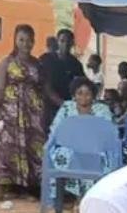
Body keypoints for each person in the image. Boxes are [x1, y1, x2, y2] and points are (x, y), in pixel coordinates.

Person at [0, 24, 46, 202]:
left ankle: (28, 189)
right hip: (10, 112)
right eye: (21, 39)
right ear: (15, 40)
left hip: (33, 113)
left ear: (34, 41)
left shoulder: (37, 64)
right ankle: (1, 188)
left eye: (29, 40)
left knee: (32, 148)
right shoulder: (6, 62)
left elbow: (43, 88)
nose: (25, 43)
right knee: (4, 148)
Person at [47, 76, 115, 204]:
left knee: (89, 157)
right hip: (68, 147)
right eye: (80, 93)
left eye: (88, 94)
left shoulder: (102, 110)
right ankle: (77, 198)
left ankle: (83, 199)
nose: (84, 97)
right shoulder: (67, 108)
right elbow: (56, 129)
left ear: (93, 96)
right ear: (74, 95)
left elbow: (107, 132)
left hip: (95, 148)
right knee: (70, 155)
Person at [39, 29, 85, 130]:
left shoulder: (76, 64)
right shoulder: (46, 59)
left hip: (67, 109)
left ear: (72, 43)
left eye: (69, 41)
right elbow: (43, 83)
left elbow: (82, 84)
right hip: (47, 107)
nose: (65, 44)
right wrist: (59, 102)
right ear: (57, 41)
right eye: (62, 41)